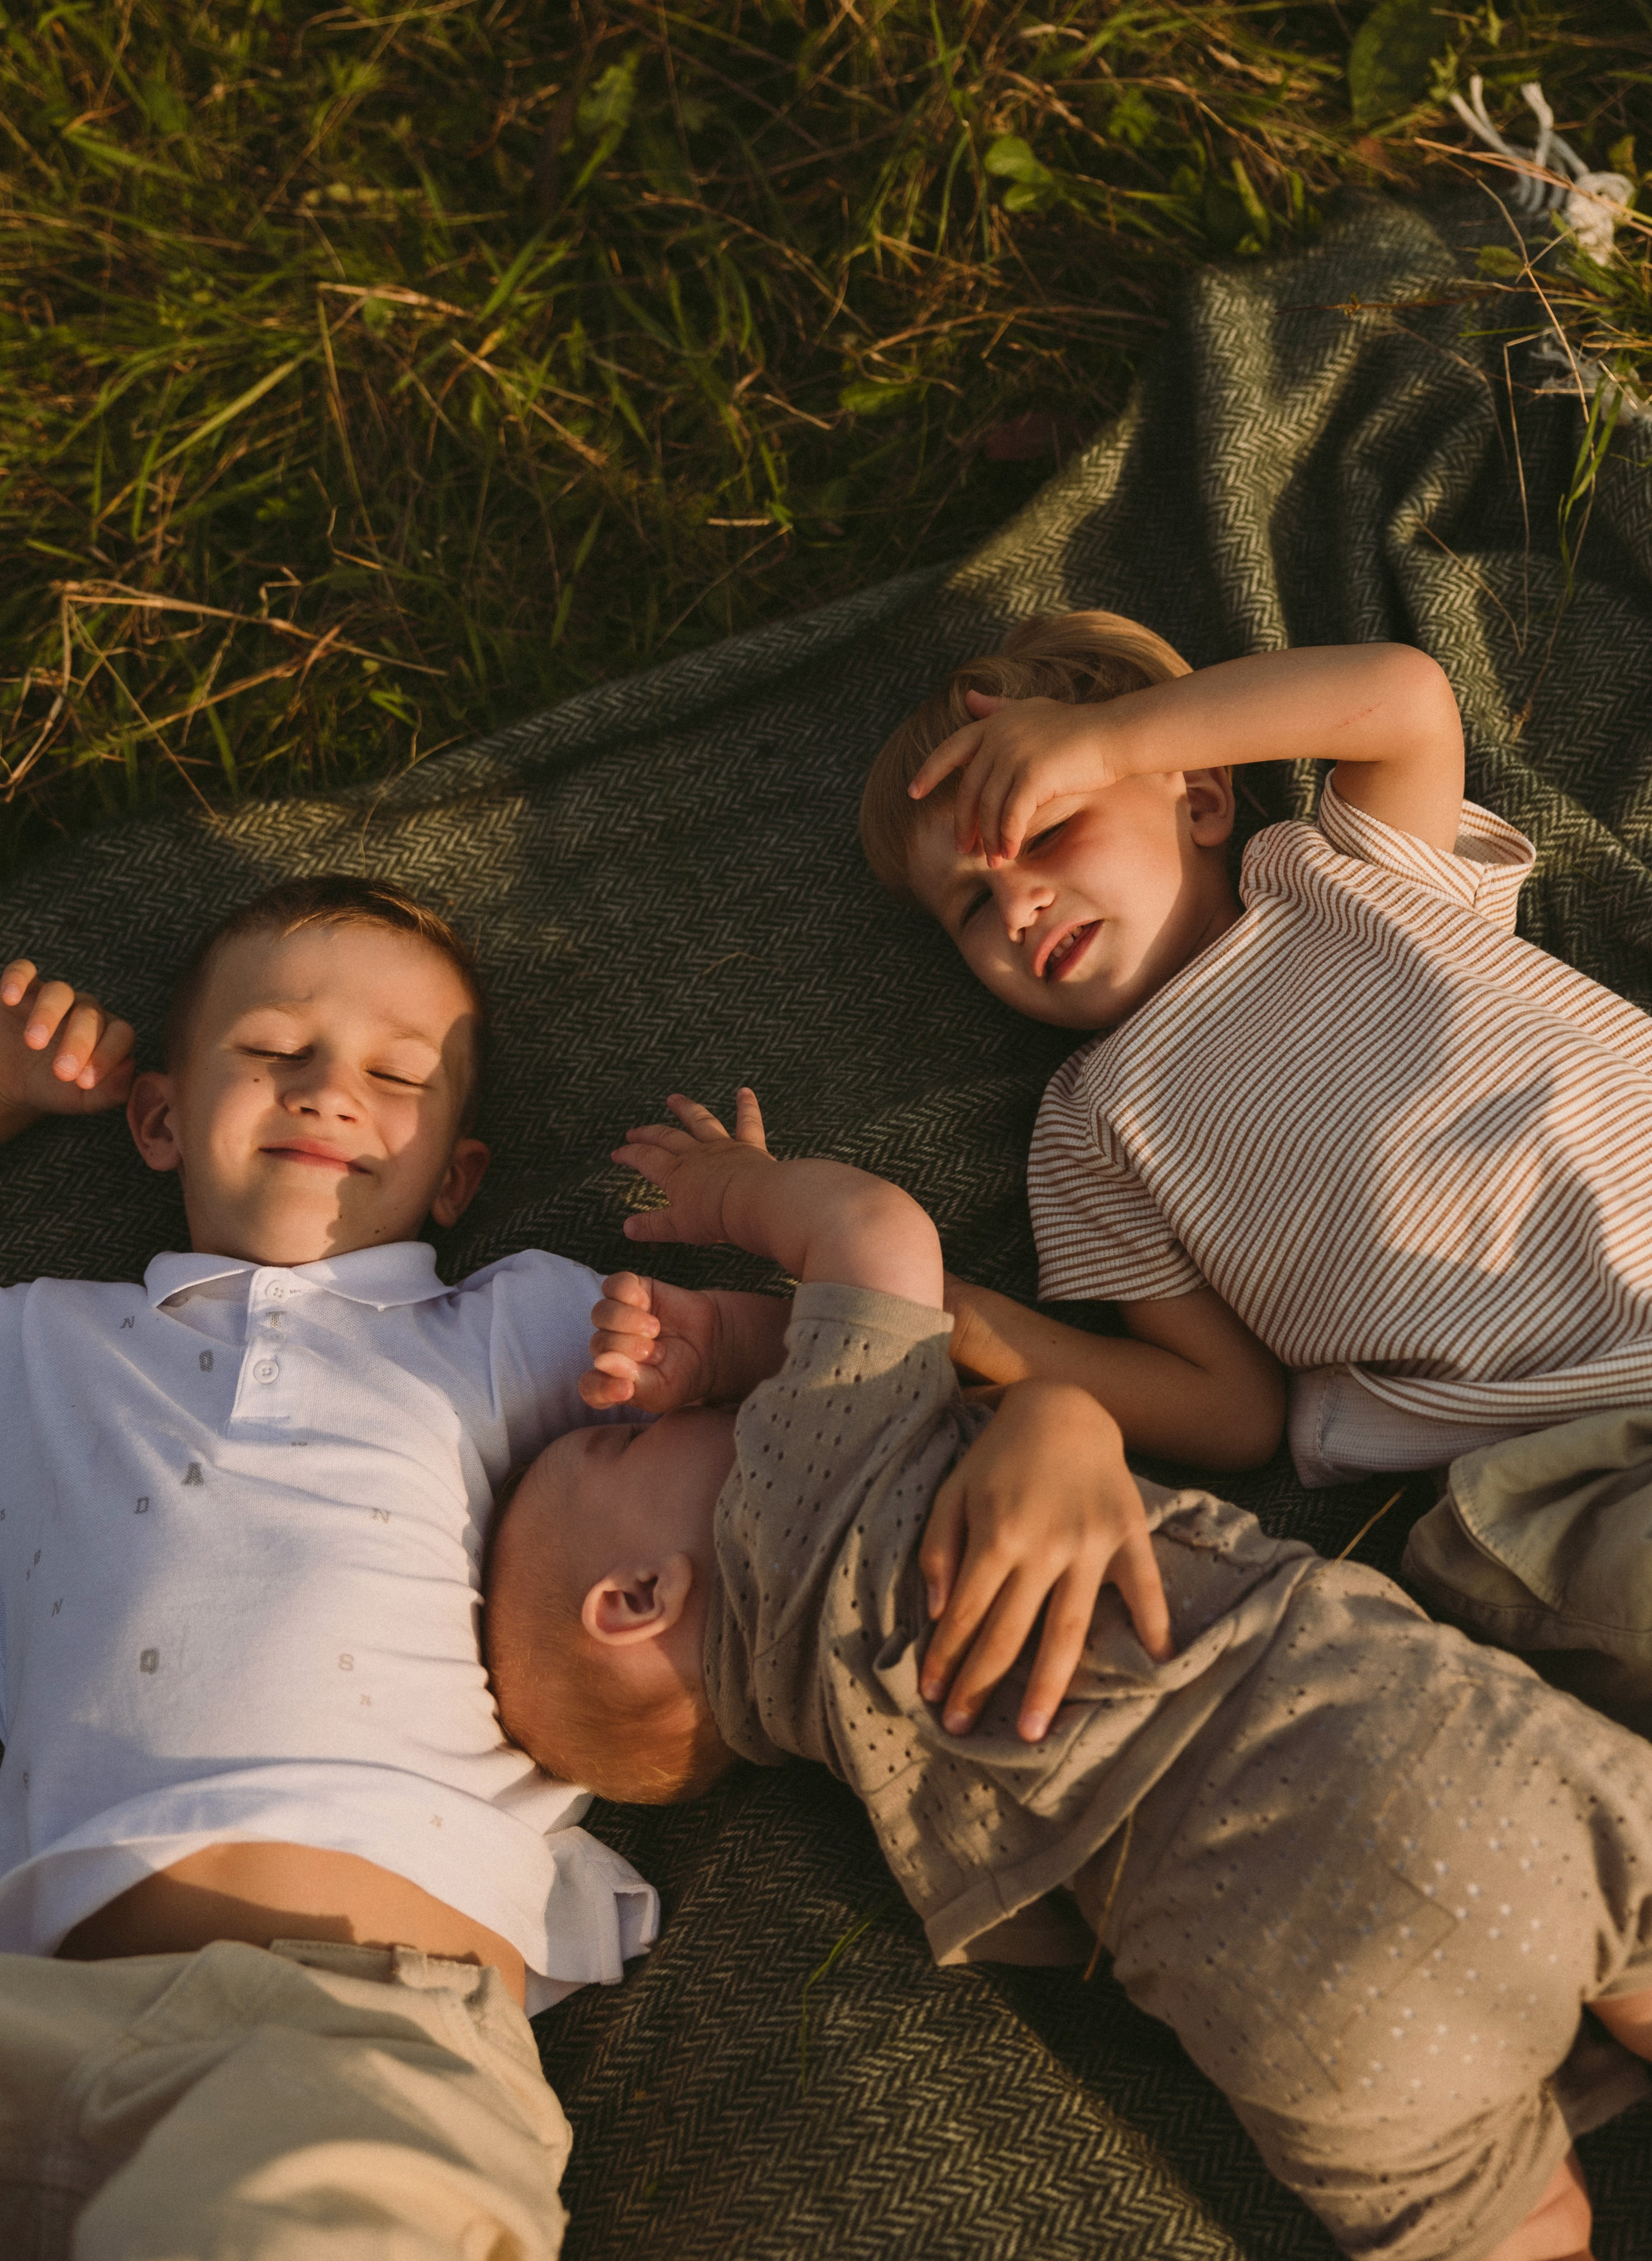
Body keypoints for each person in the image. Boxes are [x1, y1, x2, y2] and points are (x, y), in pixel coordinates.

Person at [0, 872, 1133, 2256]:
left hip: (349, 2027)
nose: (329, 1093)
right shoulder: (41, 1345)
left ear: (457, 1178)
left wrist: (1050, 1417)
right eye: (274, 1051)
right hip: (39, 2005)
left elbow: (848, 1398)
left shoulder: (511, 1323)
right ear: (161, 1114)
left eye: (395, 1075)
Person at [486, 1090, 1652, 2261]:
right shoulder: (793, 1487)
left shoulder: (833, 1743)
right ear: (638, 1598)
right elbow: (876, 1234)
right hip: (1381, 1728)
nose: (651, 1411)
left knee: (1522, 2230)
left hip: (1277, 1985)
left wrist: (733, 1345)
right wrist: (731, 1192)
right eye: (617, 1439)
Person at [854, 611, 1652, 1490]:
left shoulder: (1342, 878)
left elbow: (1407, 700)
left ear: (1198, 798)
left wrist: (1112, 741)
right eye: (972, 907)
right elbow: (1230, 1411)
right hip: (1564, 1452)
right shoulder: (1088, 1129)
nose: (1016, 909)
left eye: (1044, 833)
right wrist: (952, 1312)